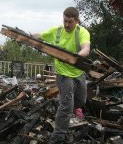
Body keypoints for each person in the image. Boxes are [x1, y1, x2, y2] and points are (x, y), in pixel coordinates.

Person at [33, 7, 90, 144]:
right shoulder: (56, 31)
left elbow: (86, 48)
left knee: (81, 100)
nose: (66, 25)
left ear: (76, 21)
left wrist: (77, 56)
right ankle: (57, 137)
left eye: (70, 22)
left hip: (78, 73)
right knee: (66, 105)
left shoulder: (82, 32)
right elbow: (40, 36)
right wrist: (27, 37)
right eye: (65, 21)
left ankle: (61, 106)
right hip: (63, 73)